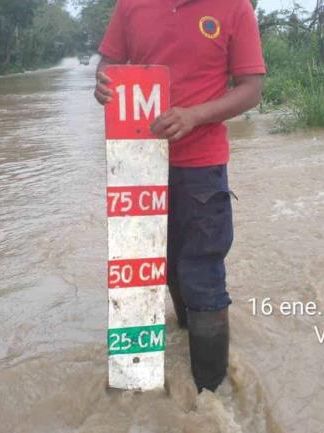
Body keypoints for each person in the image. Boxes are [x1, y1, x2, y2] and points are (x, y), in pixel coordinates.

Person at [93, 0, 265, 393]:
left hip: (201, 166)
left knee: (202, 273)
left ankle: (211, 397)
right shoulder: (131, 4)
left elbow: (251, 90)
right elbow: (108, 65)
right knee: (159, 266)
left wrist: (194, 115)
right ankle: (174, 347)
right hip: (137, 161)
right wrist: (103, 82)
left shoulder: (234, 8)